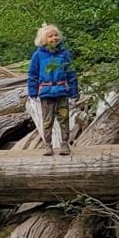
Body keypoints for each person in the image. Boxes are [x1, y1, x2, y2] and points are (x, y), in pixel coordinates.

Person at [26, 23, 78, 155]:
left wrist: (73, 91)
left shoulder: (64, 54)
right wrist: (33, 92)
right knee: (47, 120)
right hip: (46, 93)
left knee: (64, 118)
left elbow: (71, 72)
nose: (54, 38)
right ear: (43, 39)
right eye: (50, 36)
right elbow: (33, 75)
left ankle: (65, 144)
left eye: (56, 35)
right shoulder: (38, 56)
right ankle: (48, 145)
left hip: (62, 91)